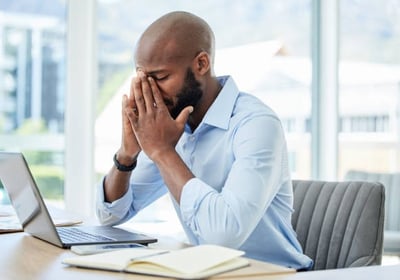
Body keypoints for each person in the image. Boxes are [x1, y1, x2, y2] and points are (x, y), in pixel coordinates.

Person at [96, 11, 313, 270]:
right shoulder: (173, 128)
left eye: (161, 78)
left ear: (201, 64)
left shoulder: (256, 124)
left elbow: (224, 234)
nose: (150, 91)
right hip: (209, 272)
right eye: (143, 78)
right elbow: (110, 215)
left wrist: (163, 152)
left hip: (273, 273)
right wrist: (127, 155)